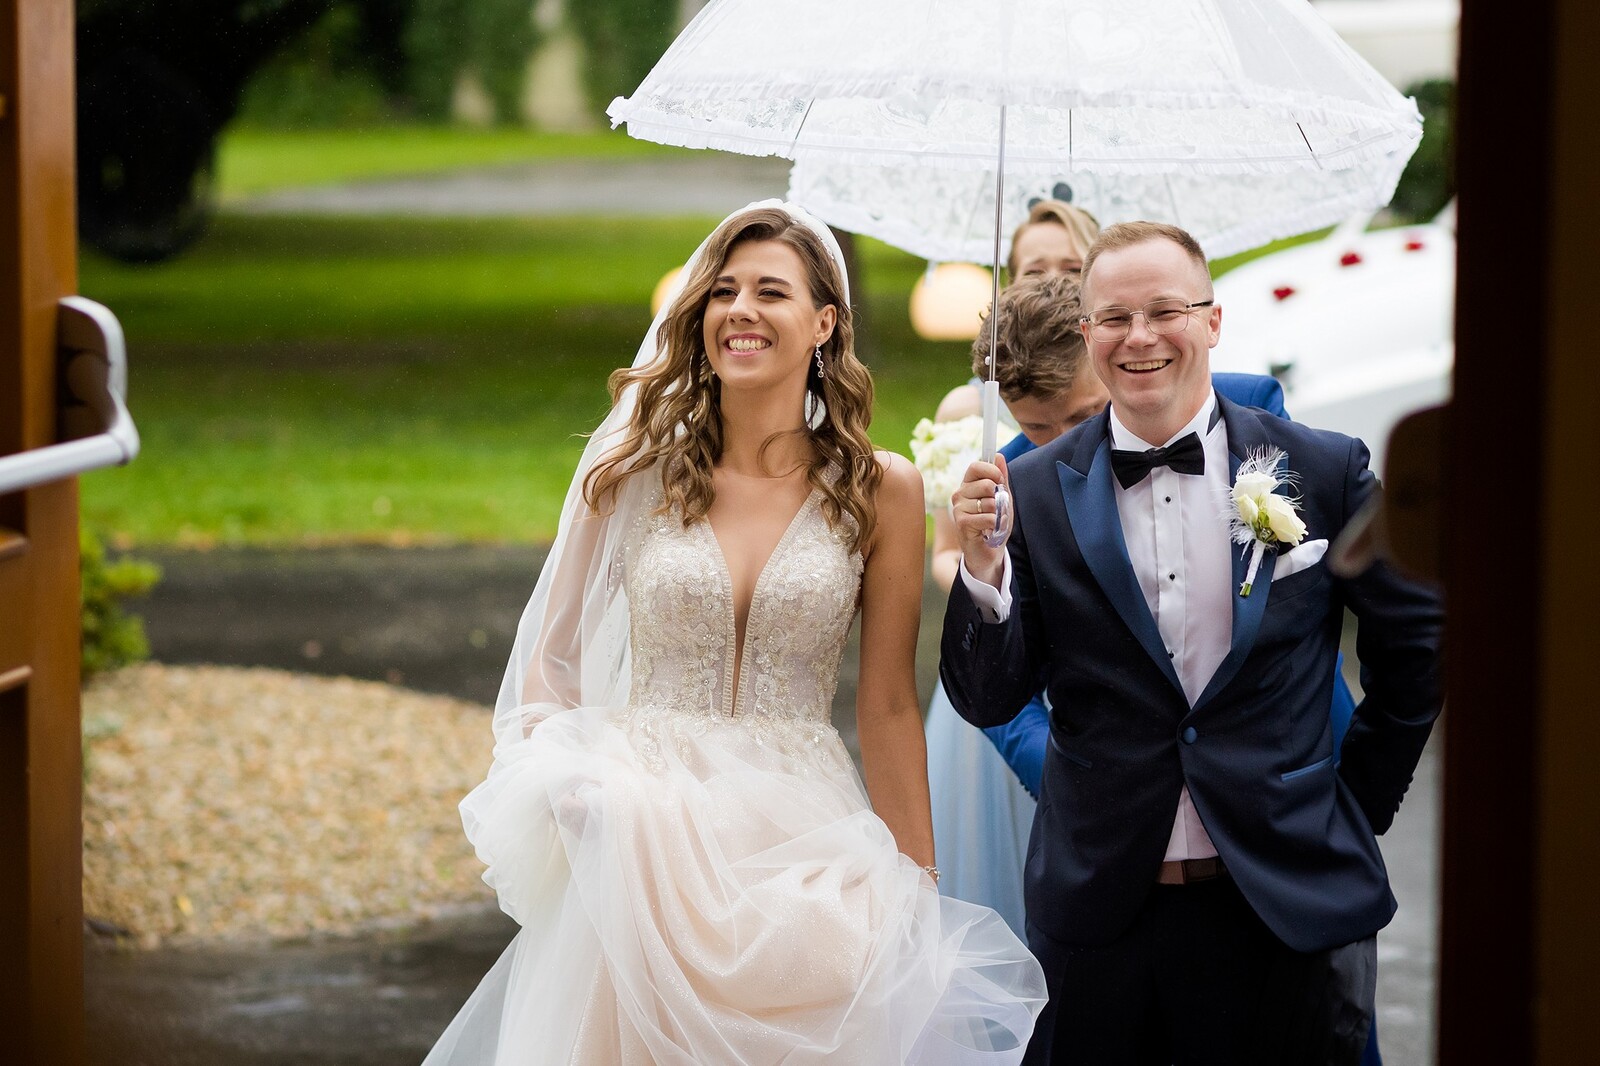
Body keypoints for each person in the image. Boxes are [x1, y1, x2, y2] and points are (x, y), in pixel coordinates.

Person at [423, 201, 1045, 1066]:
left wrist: (919, 887)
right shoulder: (634, 471)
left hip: (806, 837)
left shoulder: (885, 490)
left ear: (825, 322)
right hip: (642, 829)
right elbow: (550, 653)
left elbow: (889, 706)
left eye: (769, 292)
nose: (739, 310)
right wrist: (565, 784)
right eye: (722, 291)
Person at [941, 221, 1442, 1065]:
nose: (1139, 337)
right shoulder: (1027, 491)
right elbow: (990, 696)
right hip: (1102, 921)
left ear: (1212, 321)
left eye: (1164, 310)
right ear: (1090, 334)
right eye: (1114, 318)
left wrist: (1354, 803)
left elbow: (1420, 642)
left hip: (1282, 909)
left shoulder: (1321, 469)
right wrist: (984, 570)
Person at [922, 202, 1102, 934]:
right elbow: (949, 552)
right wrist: (986, 575)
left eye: (1071, 268)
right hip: (1012, 672)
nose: (1051, 280)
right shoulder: (981, 406)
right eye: (1035, 269)